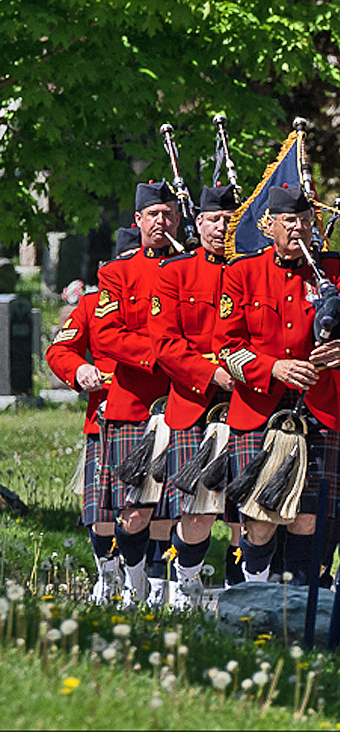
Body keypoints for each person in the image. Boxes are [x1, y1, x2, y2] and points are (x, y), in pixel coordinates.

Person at [216, 185, 340, 587]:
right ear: (270, 226)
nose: (300, 229)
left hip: (318, 408)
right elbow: (225, 347)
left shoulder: (336, 273)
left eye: (306, 221)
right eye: (290, 221)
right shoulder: (242, 273)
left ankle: (301, 604)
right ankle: (255, 588)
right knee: (260, 514)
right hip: (260, 409)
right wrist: (273, 368)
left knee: (308, 515)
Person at [149, 184, 239, 608]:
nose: (221, 227)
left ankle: (245, 595)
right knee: (197, 510)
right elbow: (165, 344)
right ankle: (186, 587)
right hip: (195, 403)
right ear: (197, 223)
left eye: (229, 219)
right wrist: (210, 374)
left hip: (248, 402)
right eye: (214, 220)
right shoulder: (175, 273)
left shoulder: (251, 270)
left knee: (247, 512)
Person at [94, 181, 181, 606]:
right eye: (153, 215)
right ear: (139, 222)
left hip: (184, 403)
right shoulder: (116, 274)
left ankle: (169, 587)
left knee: (175, 508)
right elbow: (108, 336)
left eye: (168, 215)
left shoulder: (191, 269)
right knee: (134, 510)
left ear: (178, 220)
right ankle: (133, 581)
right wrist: (162, 355)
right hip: (134, 405)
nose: (161, 222)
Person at [45, 228, 136, 604]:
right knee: (99, 506)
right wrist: (79, 369)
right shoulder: (91, 304)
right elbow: (59, 351)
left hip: (156, 417)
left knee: (142, 509)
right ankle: (107, 573)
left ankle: (139, 578)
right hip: (104, 417)